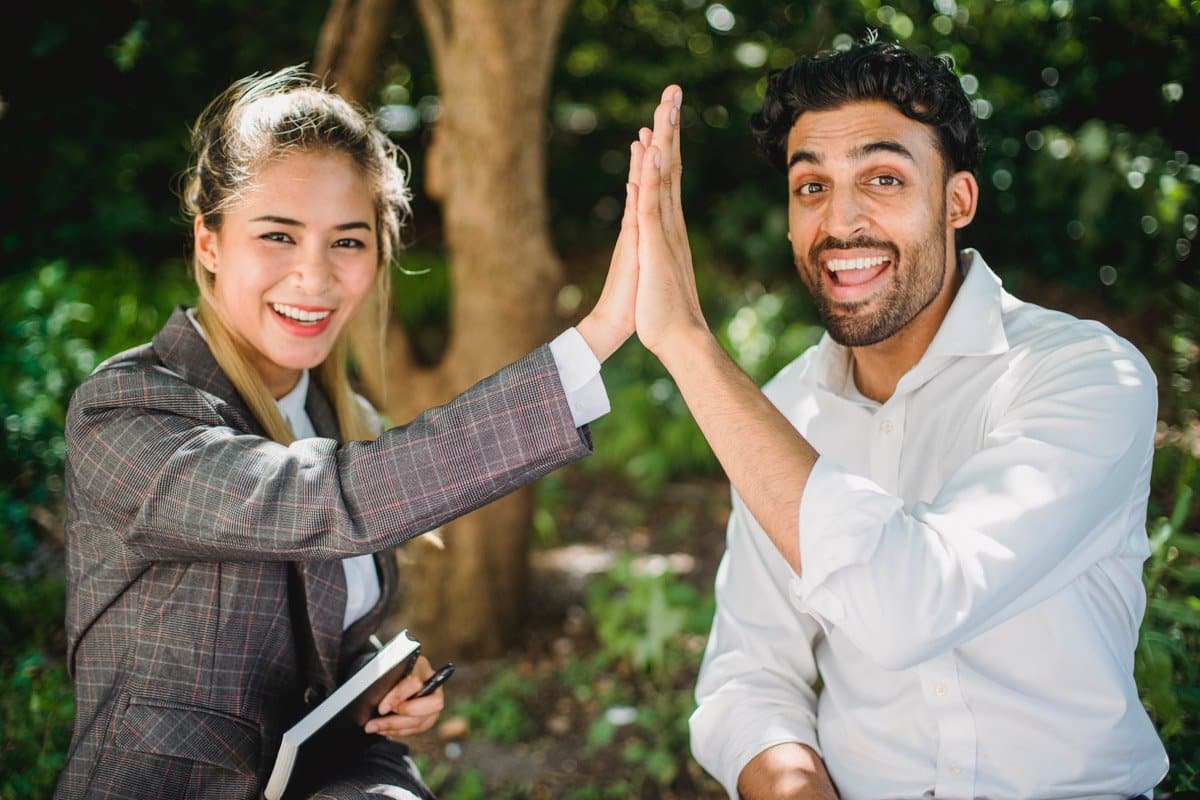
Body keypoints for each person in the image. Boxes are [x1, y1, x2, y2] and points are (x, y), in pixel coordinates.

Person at [55, 66, 640, 799]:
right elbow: (318, 501)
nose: (315, 277)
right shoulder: (127, 410)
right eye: (278, 235)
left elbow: (318, 647)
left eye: (347, 242)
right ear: (209, 241)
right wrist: (599, 336)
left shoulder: (338, 417)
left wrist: (375, 682)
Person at [625, 41, 1169, 799]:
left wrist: (686, 342)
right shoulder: (783, 410)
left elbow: (915, 600)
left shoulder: (1084, 374)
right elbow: (750, 676)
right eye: (811, 185)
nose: (841, 222)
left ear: (957, 202)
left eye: (883, 179)